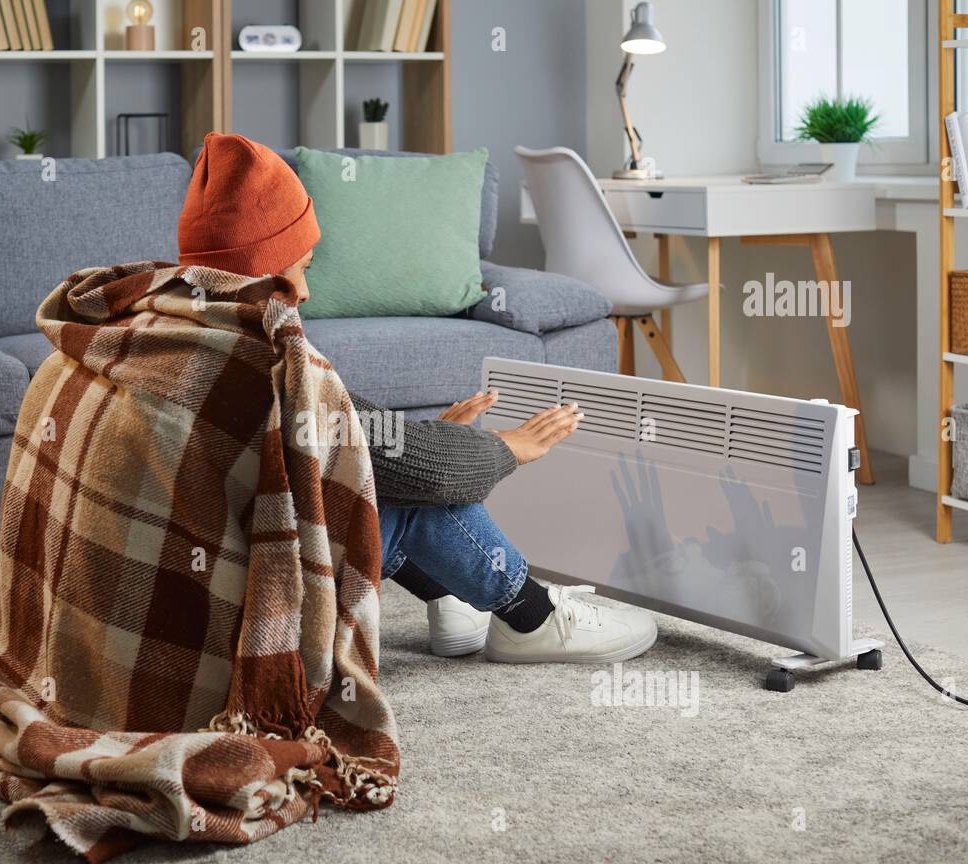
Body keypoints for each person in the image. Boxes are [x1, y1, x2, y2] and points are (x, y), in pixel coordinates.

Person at [176, 132, 657, 664]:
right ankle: (530, 618)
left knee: (382, 466)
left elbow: (360, 439)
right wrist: (508, 446)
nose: (307, 292)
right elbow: (421, 468)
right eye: (302, 266)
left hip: (182, 589)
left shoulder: (163, 333)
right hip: (245, 609)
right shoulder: (270, 368)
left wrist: (425, 443)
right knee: (398, 488)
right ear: (263, 266)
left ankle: (450, 596)